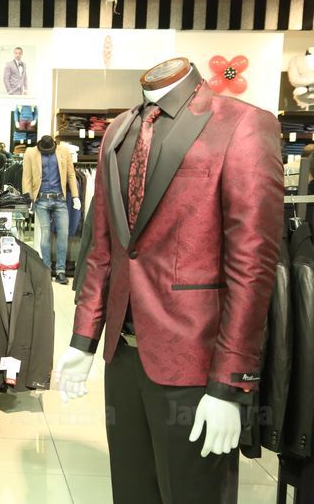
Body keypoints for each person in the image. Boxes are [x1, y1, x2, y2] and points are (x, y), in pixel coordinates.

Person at [56, 58, 282, 504]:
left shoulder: (242, 124)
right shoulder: (118, 130)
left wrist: (231, 382)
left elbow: (252, 267)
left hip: (196, 361)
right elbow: (104, 250)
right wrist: (83, 340)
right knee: (131, 491)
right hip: (123, 358)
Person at [22, 135, 80, 284]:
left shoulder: (64, 151)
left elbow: (71, 174)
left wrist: (75, 196)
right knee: (45, 234)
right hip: (41, 199)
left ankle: (60, 271)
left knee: (63, 234)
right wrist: (28, 199)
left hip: (60, 199)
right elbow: (27, 177)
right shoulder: (30, 153)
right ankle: (46, 269)